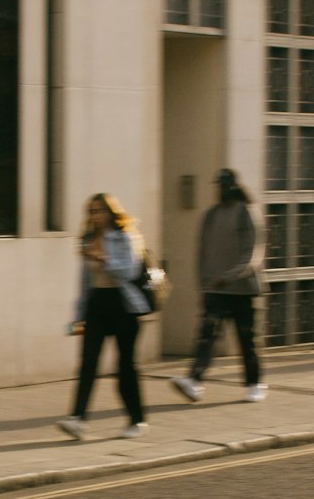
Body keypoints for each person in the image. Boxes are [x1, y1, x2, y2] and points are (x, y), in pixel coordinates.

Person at [58, 192, 150, 441]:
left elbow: (129, 271)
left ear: (111, 212)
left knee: (125, 368)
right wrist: (78, 316)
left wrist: (103, 258)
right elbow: (85, 283)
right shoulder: (88, 239)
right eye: (91, 211)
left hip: (123, 306)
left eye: (99, 211)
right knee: (88, 364)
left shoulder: (124, 236)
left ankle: (137, 419)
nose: (95, 216)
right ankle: (77, 418)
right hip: (97, 304)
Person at [171, 168, 266, 404]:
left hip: (242, 290)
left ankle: (254, 384)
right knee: (207, 337)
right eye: (218, 186)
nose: (221, 190)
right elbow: (202, 251)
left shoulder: (246, 212)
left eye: (224, 186)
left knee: (246, 339)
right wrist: (203, 281)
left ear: (233, 186)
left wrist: (231, 276)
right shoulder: (211, 215)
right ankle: (194, 380)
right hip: (215, 289)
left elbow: (253, 254)